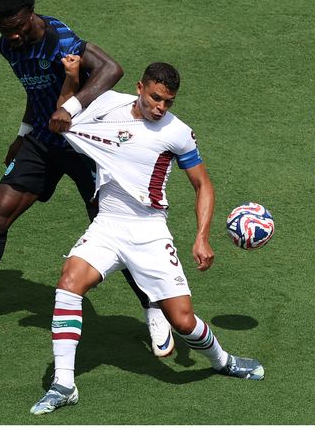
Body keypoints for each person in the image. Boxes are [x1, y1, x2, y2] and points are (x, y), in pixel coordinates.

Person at [0, 0, 176, 358]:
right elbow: (38, 93)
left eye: (18, 25)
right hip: (45, 141)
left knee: (117, 230)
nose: (13, 34)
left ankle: (153, 310)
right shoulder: (8, 48)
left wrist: (71, 109)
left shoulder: (59, 37)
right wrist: (24, 132)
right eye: (5, 28)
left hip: (86, 146)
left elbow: (112, 69)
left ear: (31, 14)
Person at [30, 60, 264, 415]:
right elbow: (64, 114)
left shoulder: (177, 133)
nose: (160, 107)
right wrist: (72, 78)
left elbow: (203, 185)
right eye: (155, 98)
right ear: (140, 87)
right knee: (69, 283)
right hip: (108, 225)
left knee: (183, 320)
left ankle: (223, 361)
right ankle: (64, 384)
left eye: (168, 102)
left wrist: (202, 237)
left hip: (149, 232)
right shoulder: (106, 103)